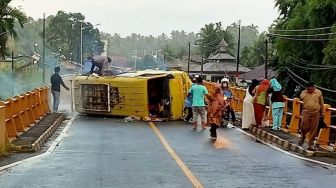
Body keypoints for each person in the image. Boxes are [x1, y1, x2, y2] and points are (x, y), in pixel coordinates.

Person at [298, 82, 324, 150]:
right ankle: (303, 136)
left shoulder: (318, 92)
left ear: (313, 87)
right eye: (308, 89)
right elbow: (301, 97)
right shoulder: (304, 92)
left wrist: (322, 113)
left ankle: (311, 144)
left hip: (316, 112)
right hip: (306, 111)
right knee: (304, 126)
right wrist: (307, 92)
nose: (309, 90)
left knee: (313, 128)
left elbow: (321, 102)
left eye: (310, 89)